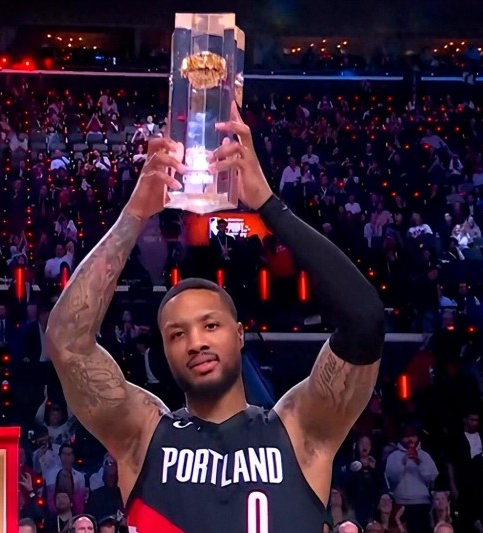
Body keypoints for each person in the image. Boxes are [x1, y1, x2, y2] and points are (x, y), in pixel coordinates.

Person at [46, 103, 385, 532]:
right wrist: (135, 214)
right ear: (165, 352)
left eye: (210, 325)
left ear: (240, 334)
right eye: (177, 334)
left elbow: (364, 320)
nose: (196, 342)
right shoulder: (144, 435)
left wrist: (268, 205)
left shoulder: (299, 430)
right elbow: (67, 342)